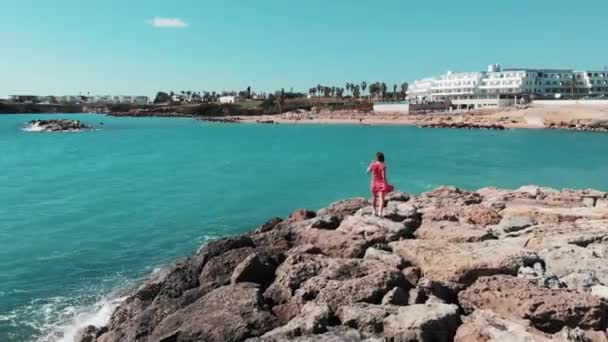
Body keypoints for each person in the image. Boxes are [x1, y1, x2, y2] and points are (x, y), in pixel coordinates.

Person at [366, 152, 394, 216]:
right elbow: (383, 176)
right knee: (381, 199)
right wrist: (386, 184)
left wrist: (370, 165)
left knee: (374, 198)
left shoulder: (373, 164)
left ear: (376, 158)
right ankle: (380, 213)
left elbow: (367, 172)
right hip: (381, 183)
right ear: (383, 158)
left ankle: (374, 211)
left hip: (374, 183)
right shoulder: (383, 165)